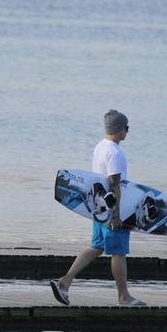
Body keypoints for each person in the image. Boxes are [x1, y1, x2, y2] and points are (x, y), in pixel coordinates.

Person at [50, 109, 145, 307]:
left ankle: (66, 280)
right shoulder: (115, 152)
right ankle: (123, 297)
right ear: (119, 129)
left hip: (98, 207)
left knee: (97, 247)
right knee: (118, 252)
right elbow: (115, 184)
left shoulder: (100, 146)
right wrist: (118, 215)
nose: (127, 132)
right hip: (113, 210)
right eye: (126, 128)